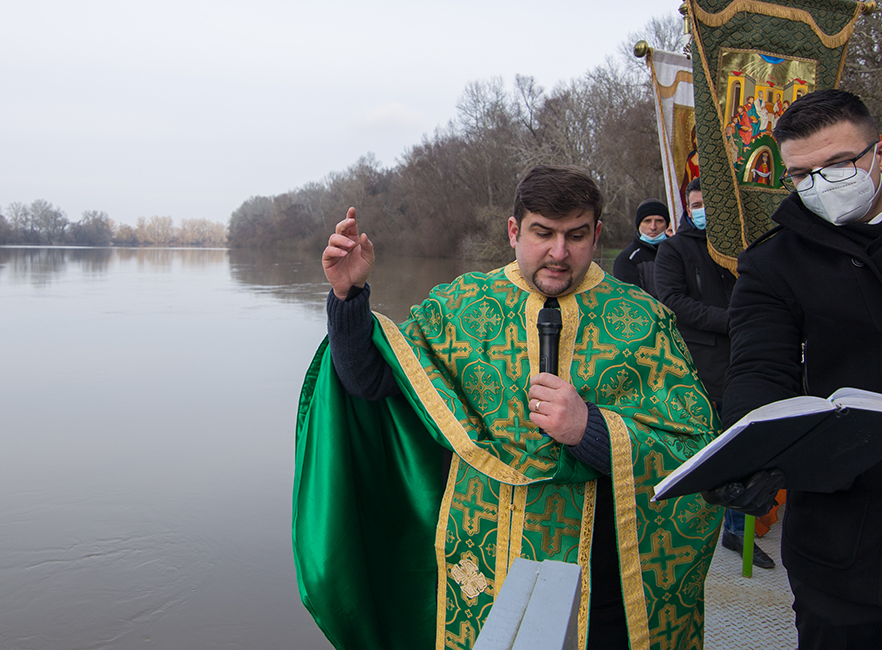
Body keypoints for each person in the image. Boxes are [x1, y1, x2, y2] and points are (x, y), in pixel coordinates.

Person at [293, 166, 720, 650]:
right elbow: (371, 382)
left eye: (576, 236)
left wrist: (590, 428)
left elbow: (697, 455)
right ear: (514, 231)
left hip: (604, 581)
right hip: (477, 569)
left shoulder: (643, 320)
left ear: (597, 234)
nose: (559, 253)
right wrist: (349, 298)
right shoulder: (460, 306)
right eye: (544, 233)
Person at [708, 89, 882, 649]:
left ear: (881, 154)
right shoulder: (772, 263)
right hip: (848, 543)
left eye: (838, 165)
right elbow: (761, 368)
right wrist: (749, 451)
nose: (820, 184)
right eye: (800, 175)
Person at [654, 178, 774, 569]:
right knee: (702, 448)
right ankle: (688, 526)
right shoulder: (675, 249)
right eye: (696, 203)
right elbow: (673, 301)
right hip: (700, 363)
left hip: (745, 359)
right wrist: (732, 321)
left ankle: (738, 531)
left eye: (709, 203)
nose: (701, 210)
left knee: (742, 445)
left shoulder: (745, 246)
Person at [611, 197, 669, 297]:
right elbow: (630, 300)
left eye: (659, 221)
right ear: (638, 224)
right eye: (647, 221)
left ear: (667, 224)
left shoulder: (677, 251)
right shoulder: (627, 259)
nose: (653, 227)